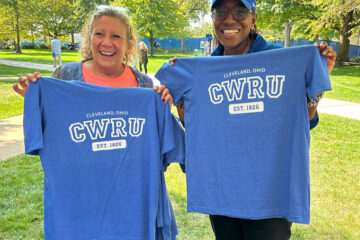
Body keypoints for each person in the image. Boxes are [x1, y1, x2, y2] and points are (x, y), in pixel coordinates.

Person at [167, 0, 336, 239]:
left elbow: (305, 120)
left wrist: (316, 85)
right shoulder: (203, 69)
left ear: (253, 17)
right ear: (212, 18)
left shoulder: (283, 59)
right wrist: (180, 92)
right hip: (223, 189)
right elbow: (197, 126)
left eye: (239, 10)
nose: (229, 19)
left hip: (271, 190)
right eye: (220, 11)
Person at [13, 7, 171, 103]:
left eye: (116, 36)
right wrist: (35, 100)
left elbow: (155, 145)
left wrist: (163, 102)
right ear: (89, 39)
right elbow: (51, 127)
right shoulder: (65, 76)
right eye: (99, 34)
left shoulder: (144, 84)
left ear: (128, 44)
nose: (107, 42)